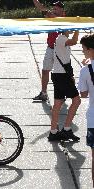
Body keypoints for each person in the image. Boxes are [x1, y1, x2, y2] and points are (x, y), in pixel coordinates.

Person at [48, 30, 81, 141]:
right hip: (62, 76)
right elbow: (74, 41)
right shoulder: (61, 38)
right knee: (76, 101)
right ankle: (66, 129)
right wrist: (77, 29)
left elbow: (65, 59)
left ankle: (53, 132)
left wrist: (70, 74)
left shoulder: (61, 39)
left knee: (58, 103)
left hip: (59, 75)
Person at [32, 0, 65, 101]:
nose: (54, 9)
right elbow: (42, 9)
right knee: (45, 70)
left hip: (61, 50)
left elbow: (42, 9)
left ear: (62, 10)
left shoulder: (63, 18)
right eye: (53, 8)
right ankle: (44, 93)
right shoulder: (52, 17)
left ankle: (62, 94)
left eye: (56, 8)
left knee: (60, 73)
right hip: (50, 47)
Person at [78, 34, 94, 188]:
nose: (83, 52)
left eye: (83, 49)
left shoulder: (85, 70)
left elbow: (83, 94)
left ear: (90, 50)